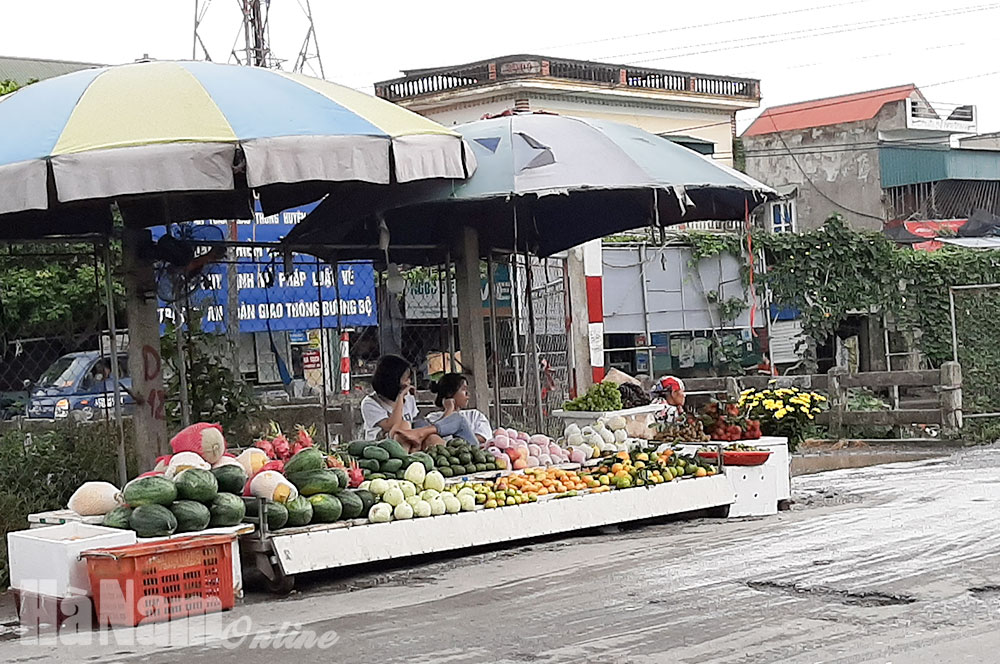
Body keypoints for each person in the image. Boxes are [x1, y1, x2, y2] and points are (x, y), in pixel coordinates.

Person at [360, 355, 479, 452]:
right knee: (404, 425)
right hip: (386, 446)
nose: (409, 383)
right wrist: (400, 397)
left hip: (413, 443)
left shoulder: (409, 398)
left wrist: (448, 412)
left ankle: (454, 459)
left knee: (436, 434)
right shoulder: (370, 403)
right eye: (406, 379)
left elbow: (416, 423)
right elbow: (392, 426)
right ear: (393, 380)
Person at [426, 373, 492, 445]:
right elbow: (432, 438)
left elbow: (483, 437)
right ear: (450, 393)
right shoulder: (432, 418)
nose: (468, 394)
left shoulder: (475, 415)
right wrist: (448, 411)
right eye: (464, 389)